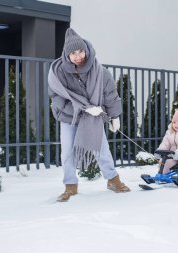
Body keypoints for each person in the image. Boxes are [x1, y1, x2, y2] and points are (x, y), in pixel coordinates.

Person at [48, 28, 130, 202]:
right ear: (66, 54)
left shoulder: (100, 71)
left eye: (80, 51)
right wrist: (84, 108)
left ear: (86, 49)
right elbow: (57, 98)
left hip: (93, 118)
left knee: (102, 149)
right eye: (73, 53)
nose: (78, 56)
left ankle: (112, 180)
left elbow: (110, 95)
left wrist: (115, 117)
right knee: (67, 151)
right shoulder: (58, 73)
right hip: (69, 117)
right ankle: (70, 185)